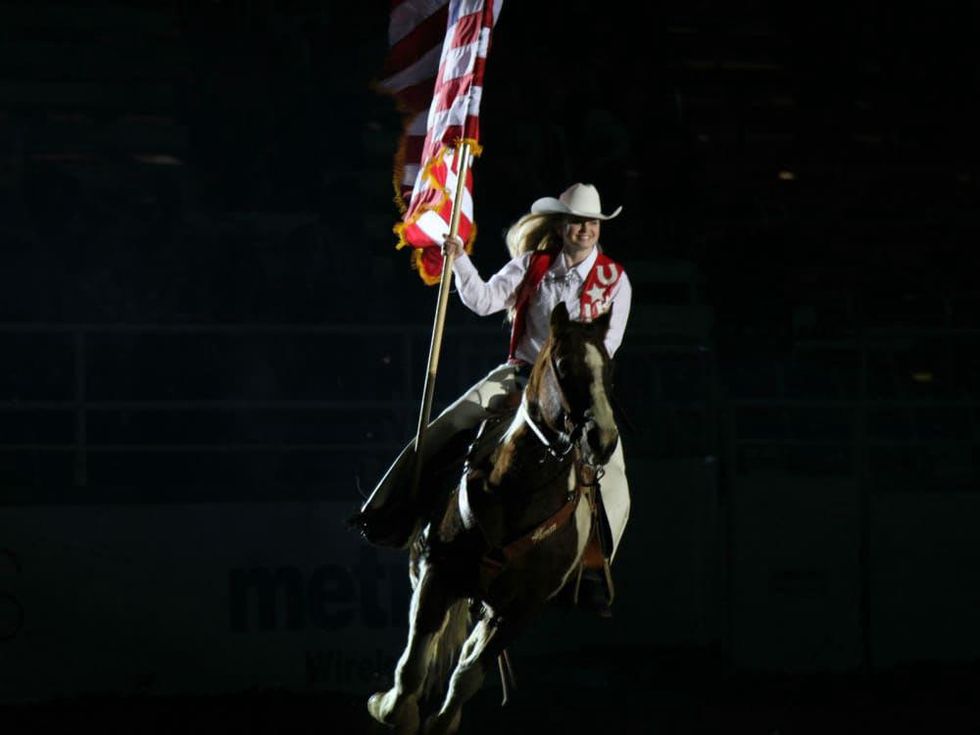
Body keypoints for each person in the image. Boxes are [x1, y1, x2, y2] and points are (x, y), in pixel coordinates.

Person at [352, 183, 632, 610]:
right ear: (561, 226)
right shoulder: (532, 266)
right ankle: (392, 510)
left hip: (576, 390)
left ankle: (594, 565)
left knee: (613, 472)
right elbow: (483, 301)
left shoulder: (615, 281)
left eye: (592, 222)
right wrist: (460, 259)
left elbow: (606, 348)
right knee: (447, 425)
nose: (585, 229)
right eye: (577, 222)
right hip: (518, 377)